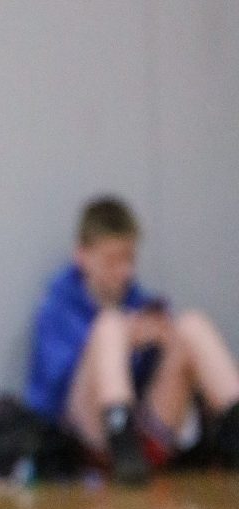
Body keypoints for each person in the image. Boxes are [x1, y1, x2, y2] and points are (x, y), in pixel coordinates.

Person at [26, 196, 239, 484]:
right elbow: (54, 392)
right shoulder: (56, 307)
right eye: (112, 260)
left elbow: (152, 377)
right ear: (82, 255)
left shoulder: (139, 302)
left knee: (192, 325)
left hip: (143, 434)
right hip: (84, 437)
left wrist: (159, 343)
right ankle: (121, 439)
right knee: (110, 325)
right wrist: (124, 342)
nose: (123, 271)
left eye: (129, 259)